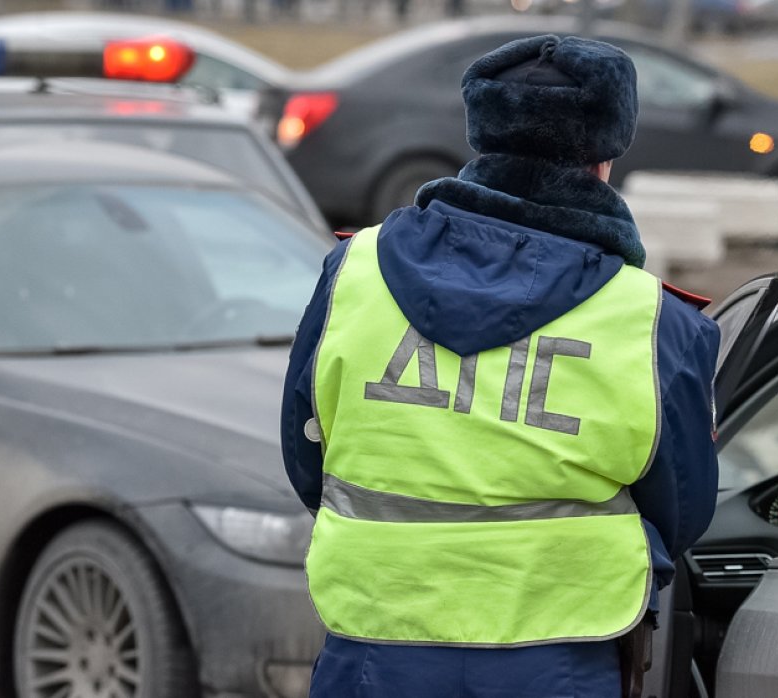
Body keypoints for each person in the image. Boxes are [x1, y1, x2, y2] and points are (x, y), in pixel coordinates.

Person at [282, 34, 720, 698]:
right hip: (561, 655)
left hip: (375, 641)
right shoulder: (652, 320)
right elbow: (683, 510)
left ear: (481, 140)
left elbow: (306, 453)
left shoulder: (355, 272)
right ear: (605, 157)